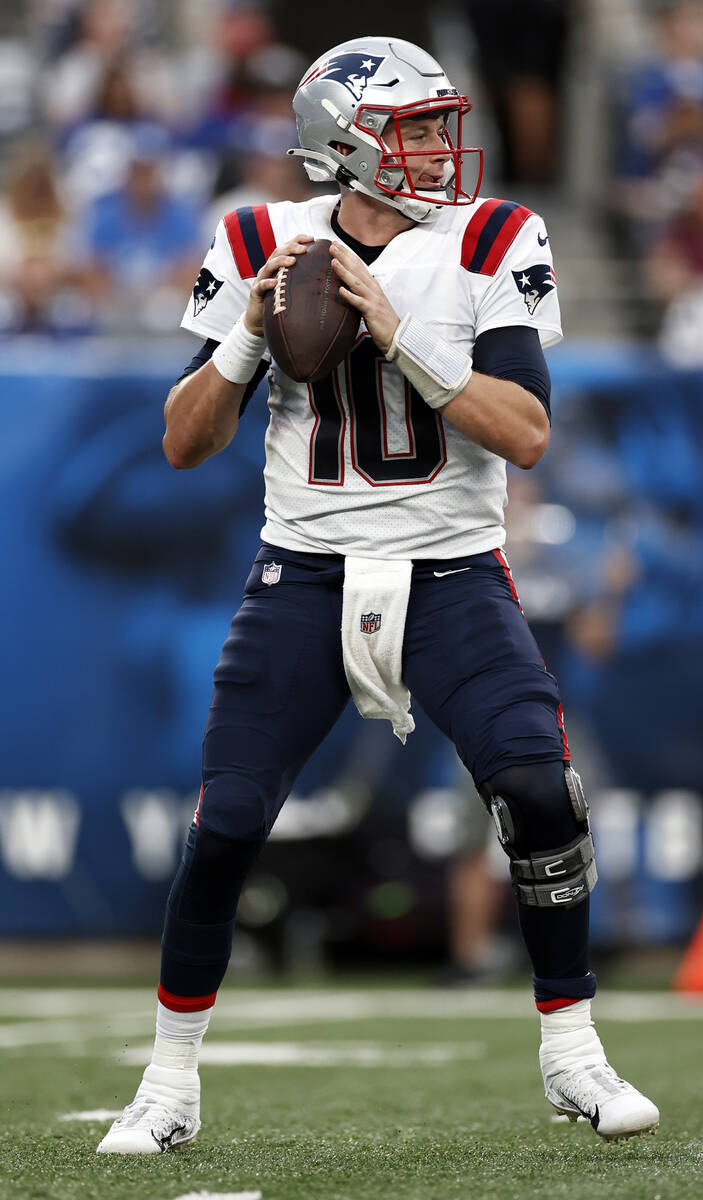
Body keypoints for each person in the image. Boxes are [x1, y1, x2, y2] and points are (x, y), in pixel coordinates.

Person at [97, 35, 659, 1155]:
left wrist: (400, 337)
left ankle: (572, 1053)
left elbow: (529, 434)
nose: (444, 149)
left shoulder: (496, 237)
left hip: (453, 571)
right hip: (299, 572)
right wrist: (246, 339)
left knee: (539, 792)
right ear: (343, 145)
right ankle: (168, 1083)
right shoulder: (260, 239)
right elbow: (179, 443)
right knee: (224, 827)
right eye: (415, 130)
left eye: (442, 124)